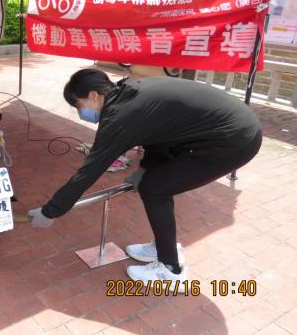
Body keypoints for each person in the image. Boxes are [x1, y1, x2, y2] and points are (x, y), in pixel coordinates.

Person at [28, 69, 262, 290]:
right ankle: (164, 247)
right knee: (155, 182)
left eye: (79, 106)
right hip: (233, 128)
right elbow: (157, 132)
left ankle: (171, 270)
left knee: (155, 188)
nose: (81, 114)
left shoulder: (120, 116)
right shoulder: (130, 92)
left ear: (93, 95)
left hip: (233, 141)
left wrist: (52, 210)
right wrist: (145, 167)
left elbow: (90, 171)